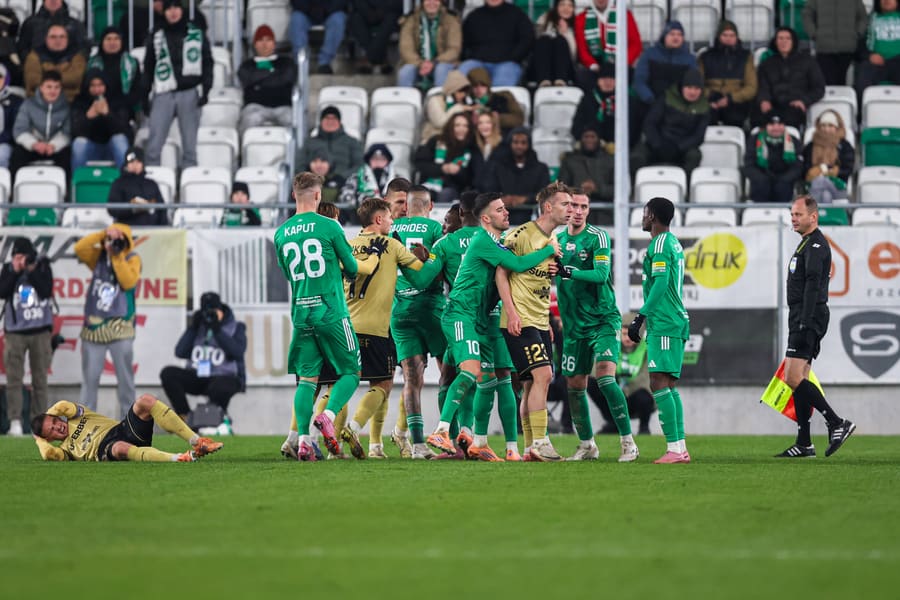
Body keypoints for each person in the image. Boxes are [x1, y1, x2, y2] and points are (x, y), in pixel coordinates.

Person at [425, 191, 561, 458]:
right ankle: (441, 430)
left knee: (490, 380)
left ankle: (481, 442)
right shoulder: (482, 241)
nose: (506, 212)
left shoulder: (494, 244)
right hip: (460, 314)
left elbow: (513, 269)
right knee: (470, 372)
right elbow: (518, 264)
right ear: (485, 218)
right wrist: (548, 250)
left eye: (505, 208)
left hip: (477, 319)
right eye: (499, 210)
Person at [273, 172, 378, 462]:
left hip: (301, 314)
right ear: (318, 196)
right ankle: (328, 416)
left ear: (294, 195)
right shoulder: (329, 226)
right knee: (351, 372)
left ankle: (304, 442)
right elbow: (351, 267)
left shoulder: (280, 233)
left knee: (307, 381)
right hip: (331, 311)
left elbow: (288, 274)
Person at [341, 198, 439, 459]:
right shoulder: (392, 245)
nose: (394, 221)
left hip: (346, 324)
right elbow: (421, 276)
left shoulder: (347, 245)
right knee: (383, 383)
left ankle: (326, 446)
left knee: (338, 383)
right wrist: (431, 256)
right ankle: (354, 427)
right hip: (377, 327)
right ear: (378, 220)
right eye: (389, 217)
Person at [555, 190, 638, 461]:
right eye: (573, 205)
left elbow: (602, 275)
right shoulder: (555, 239)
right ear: (565, 208)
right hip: (573, 325)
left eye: (583, 206)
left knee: (604, 378)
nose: (578, 211)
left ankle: (628, 442)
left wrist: (569, 271)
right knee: (575, 385)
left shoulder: (597, 237)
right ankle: (587, 445)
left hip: (602, 319)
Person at [493, 182, 571, 461]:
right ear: (548, 207)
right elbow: (501, 273)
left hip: (538, 320)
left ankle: (529, 448)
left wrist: (547, 320)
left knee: (531, 384)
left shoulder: (553, 240)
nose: (571, 210)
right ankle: (541, 441)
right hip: (520, 319)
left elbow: (536, 279)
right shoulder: (521, 234)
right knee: (544, 376)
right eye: (566, 204)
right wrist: (511, 313)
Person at [777, 195, 856, 458]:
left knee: (792, 377)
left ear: (813, 216)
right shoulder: (808, 244)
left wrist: (803, 321)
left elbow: (812, 286)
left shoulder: (816, 246)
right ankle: (804, 442)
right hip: (804, 315)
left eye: (798, 214)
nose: (793, 219)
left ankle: (836, 422)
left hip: (807, 317)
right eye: (792, 215)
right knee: (800, 378)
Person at [627, 197, 691, 464]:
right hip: (670, 320)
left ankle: (675, 449)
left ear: (652, 215)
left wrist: (640, 317)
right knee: (668, 385)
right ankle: (679, 447)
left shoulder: (661, 244)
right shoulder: (671, 242)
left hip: (665, 321)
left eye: (644, 213)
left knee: (659, 383)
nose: (642, 218)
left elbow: (662, 283)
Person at [388, 186, 445, 459]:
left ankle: (419, 445)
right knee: (451, 372)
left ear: (407, 205)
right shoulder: (435, 229)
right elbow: (437, 270)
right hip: (432, 309)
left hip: (402, 311)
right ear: (430, 204)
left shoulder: (391, 228)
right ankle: (452, 435)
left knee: (411, 379)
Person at [31, 393, 223, 462]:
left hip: (124, 429)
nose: (59, 428)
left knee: (145, 401)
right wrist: (38, 439)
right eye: (52, 431)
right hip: (105, 449)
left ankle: (198, 442)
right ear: (48, 439)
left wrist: (49, 415)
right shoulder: (65, 451)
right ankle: (179, 458)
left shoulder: (76, 415)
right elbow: (49, 454)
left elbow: (63, 404)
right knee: (118, 448)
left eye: (56, 422)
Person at [73, 223, 141, 417]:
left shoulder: (132, 258)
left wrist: (118, 255)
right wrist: (103, 234)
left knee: (125, 379)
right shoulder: (99, 257)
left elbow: (128, 282)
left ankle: (129, 423)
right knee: (90, 379)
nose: (115, 242)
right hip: (94, 327)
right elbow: (79, 248)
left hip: (121, 326)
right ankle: (85, 424)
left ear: (127, 240)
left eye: (119, 239)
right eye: (111, 239)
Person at [142, 0, 213, 169]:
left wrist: (206, 89)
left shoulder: (196, 32)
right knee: (154, 145)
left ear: (182, 10)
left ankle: (188, 185)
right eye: (169, 8)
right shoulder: (156, 35)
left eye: (176, 8)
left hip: (189, 92)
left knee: (190, 147)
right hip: (163, 92)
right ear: (163, 12)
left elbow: (207, 63)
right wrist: (144, 95)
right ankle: (153, 182)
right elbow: (149, 67)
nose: (173, 12)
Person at [159, 292, 246, 422]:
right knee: (168, 373)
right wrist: (193, 327)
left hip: (225, 376)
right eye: (206, 312)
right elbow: (180, 352)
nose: (210, 315)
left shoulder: (236, 327)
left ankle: (217, 418)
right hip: (198, 375)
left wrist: (217, 330)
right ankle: (185, 418)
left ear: (221, 310)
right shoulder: (199, 326)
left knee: (219, 386)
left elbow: (238, 352)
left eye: (214, 311)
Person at [0, 237, 54, 437]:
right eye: (17, 256)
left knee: (40, 379)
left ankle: (38, 423)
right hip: (15, 332)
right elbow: (2, 291)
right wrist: (15, 270)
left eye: (23, 256)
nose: (20, 260)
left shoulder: (41, 266)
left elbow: (46, 291)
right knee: (14, 378)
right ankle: (14, 421)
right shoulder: (8, 269)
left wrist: (31, 270)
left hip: (39, 331)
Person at [633, 69, 710, 176]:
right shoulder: (666, 98)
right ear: (682, 87)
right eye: (689, 87)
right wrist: (657, 144)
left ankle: (686, 189)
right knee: (637, 156)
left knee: (694, 156)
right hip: (658, 143)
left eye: (696, 88)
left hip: (683, 148)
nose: (692, 92)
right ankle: (634, 187)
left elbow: (698, 136)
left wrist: (679, 147)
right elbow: (650, 123)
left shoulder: (704, 107)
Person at [592, 314, 655, 435]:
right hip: (616, 394)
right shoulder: (611, 345)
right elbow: (596, 370)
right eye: (624, 334)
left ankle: (644, 428)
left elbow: (646, 378)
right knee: (593, 383)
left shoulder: (647, 348)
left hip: (634, 395)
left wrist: (625, 389)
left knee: (644, 396)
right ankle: (613, 423)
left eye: (631, 335)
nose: (627, 338)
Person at [754, 27, 825, 129]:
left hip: (795, 105)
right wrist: (764, 100)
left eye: (787, 39)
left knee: (790, 118)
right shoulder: (767, 64)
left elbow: (818, 88)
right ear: (775, 42)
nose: (784, 42)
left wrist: (803, 101)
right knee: (758, 116)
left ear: (793, 41)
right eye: (780, 38)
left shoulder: (808, 61)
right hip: (772, 104)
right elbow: (762, 86)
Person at [479, 126, 551, 224]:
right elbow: (488, 188)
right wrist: (501, 199)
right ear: (510, 144)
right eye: (516, 142)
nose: (519, 146)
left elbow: (545, 194)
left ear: (529, 144)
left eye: (523, 143)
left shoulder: (540, 168)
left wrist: (525, 199)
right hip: (499, 211)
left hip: (529, 214)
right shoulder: (497, 166)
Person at [457, 0, 534, 87]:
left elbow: (527, 39)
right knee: (464, 70)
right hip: (477, 62)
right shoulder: (474, 16)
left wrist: (513, 58)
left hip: (507, 63)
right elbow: (463, 42)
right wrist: (470, 57)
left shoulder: (517, 14)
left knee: (500, 90)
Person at [237, 25, 296, 135]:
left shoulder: (286, 62)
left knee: (292, 120)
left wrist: (259, 83)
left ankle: (294, 152)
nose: (265, 44)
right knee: (250, 120)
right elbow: (248, 78)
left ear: (274, 43)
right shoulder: (247, 65)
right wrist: (273, 72)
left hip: (282, 107)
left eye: (268, 40)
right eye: (260, 40)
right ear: (255, 44)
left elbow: (287, 78)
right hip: (255, 107)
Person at [633, 21, 697, 121]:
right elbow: (639, 81)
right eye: (672, 34)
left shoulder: (690, 59)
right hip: (651, 103)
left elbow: (694, 84)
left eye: (679, 34)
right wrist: (650, 99)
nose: (676, 37)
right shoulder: (649, 54)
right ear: (664, 36)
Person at [10, 70, 70, 178]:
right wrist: (34, 144)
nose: (53, 91)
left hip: (55, 148)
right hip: (33, 147)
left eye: (57, 87)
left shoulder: (66, 107)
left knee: (67, 155)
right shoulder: (28, 105)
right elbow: (19, 130)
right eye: (49, 87)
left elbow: (67, 133)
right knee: (18, 154)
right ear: (41, 87)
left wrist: (53, 145)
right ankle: (14, 190)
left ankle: (65, 192)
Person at [699, 20, 758, 128]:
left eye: (732, 35)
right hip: (710, 100)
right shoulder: (706, 56)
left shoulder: (746, 57)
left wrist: (730, 98)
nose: (728, 38)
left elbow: (751, 87)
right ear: (719, 36)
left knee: (734, 117)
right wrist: (710, 95)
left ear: (736, 37)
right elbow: (697, 84)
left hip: (736, 101)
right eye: (725, 35)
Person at [70, 69, 132, 171]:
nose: (97, 89)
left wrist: (108, 114)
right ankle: (77, 183)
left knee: (119, 140)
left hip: (111, 148)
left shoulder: (117, 101)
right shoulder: (80, 102)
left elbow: (125, 131)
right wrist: (88, 117)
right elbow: (74, 132)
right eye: (93, 86)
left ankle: (126, 181)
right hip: (91, 148)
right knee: (78, 144)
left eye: (100, 85)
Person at [573, 0, 642, 91]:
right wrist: (593, 65)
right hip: (596, 66)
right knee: (582, 77)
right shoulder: (581, 18)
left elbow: (635, 44)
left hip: (619, 62)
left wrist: (622, 63)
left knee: (635, 76)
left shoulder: (624, 15)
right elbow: (582, 49)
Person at [396, 0, 461, 89]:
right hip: (417, 62)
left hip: (443, 62)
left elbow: (454, 49)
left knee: (441, 70)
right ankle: (406, 101)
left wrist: (434, 63)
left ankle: (439, 100)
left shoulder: (451, 20)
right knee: (405, 72)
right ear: (422, 2)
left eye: (436, 0)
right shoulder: (411, 19)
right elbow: (406, 48)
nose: (432, 3)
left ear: (441, 2)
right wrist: (420, 63)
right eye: (428, 0)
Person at [802, 0, 868, 86]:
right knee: (827, 82)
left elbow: (863, 17)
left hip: (847, 46)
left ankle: (844, 99)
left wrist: (857, 33)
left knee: (842, 81)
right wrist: (813, 33)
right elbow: (807, 14)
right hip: (824, 47)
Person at [414, 111, 475, 203]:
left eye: (465, 126)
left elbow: (470, 179)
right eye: (457, 125)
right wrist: (443, 168)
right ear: (451, 127)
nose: (461, 129)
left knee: (446, 193)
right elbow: (421, 164)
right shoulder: (436, 141)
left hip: (453, 190)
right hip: (428, 185)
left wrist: (458, 172)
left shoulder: (471, 148)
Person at [559, 123, 613, 224]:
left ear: (599, 139)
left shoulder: (610, 161)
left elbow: (619, 190)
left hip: (604, 215)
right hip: (575, 215)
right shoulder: (569, 161)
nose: (589, 140)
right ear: (581, 140)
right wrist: (578, 190)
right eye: (586, 137)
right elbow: (561, 189)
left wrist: (597, 189)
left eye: (593, 137)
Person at [744, 112, 803, 204]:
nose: (776, 128)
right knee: (761, 185)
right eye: (772, 124)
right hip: (760, 184)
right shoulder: (754, 140)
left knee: (783, 187)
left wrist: (784, 179)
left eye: (780, 124)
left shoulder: (793, 141)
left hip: (784, 184)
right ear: (766, 126)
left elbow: (798, 167)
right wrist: (761, 179)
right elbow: (748, 165)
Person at [86, 26, 142, 119]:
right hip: (97, 105)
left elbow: (137, 91)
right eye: (108, 39)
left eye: (116, 39)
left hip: (124, 107)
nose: (112, 43)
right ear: (102, 42)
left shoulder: (132, 63)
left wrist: (115, 104)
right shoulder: (92, 63)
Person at [297, 105, 364, 180]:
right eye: (327, 118)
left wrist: (341, 177)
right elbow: (300, 166)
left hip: (344, 183)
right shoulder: (309, 142)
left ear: (339, 122)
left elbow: (359, 166)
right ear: (321, 121)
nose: (330, 121)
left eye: (334, 118)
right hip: (314, 184)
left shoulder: (352, 142)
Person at [801, 110, 854, 204]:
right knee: (826, 196)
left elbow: (848, 168)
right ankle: (825, 217)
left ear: (837, 127)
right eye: (823, 125)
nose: (826, 129)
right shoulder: (811, 146)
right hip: (813, 184)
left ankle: (811, 214)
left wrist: (829, 172)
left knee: (820, 180)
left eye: (830, 126)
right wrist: (813, 171)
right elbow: (805, 167)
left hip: (838, 185)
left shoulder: (845, 146)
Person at [23, 24, 85, 102]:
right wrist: (61, 79)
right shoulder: (34, 56)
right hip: (38, 103)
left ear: (68, 39)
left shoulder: (77, 56)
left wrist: (47, 77)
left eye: (62, 37)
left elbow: (75, 80)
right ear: (46, 39)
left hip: (70, 102)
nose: (58, 40)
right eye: (53, 37)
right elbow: (33, 81)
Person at [107, 146, 168, 226]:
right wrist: (133, 209)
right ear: (126, 164)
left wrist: (164, 229)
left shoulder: (152, 184)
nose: (135, 165)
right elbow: (112, 209)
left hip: (153, 231)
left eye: (138, 161)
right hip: (128, 231)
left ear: (142, 164)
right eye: (131, 162)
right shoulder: (118, 184)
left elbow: (162, 209)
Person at [289, 0, 348, 74]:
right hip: (306, 12)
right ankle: (300, 62)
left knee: (338, 20)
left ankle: (324, 63)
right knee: (296, 19)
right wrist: (310, 9)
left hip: (331, 11)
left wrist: (326, 10)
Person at [17, 0, 88, 60]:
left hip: (69, 71)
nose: (53, 0)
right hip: (37, 69)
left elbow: (83, 49)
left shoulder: (75, 25)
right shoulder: (30, 24)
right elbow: (22, 49)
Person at [529, 0, 577, 87]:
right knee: (545, 39)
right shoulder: (544, 20)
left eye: (570, 6)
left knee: (560, 40)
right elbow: (535, 47)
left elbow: (574, 54)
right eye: (562, 5)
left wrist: (565, 34)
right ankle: (544, 81)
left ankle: (560, 80)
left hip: (565, 70)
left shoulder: (576, 24)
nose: (566, 8)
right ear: (556, 7)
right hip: (542, 68)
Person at [856, 0, 900, 95]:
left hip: (898, 61)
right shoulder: (869, 19)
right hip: (876, 62)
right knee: (862, 80)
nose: (886, 0)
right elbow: (859, 44)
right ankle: (862, 109)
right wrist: (869, 56)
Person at [348, 0, 404, 74]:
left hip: (389, 11)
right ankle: (381, 59)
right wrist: (370, 14)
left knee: (391, 19)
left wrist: (382, 10)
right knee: (356, 18)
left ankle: (368, 58)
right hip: (366, 11)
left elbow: (400, 3)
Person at [421, 68, 474, 143]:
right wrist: (459, 108)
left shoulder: (466, 102)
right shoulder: (435, 101)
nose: (463, 94)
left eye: (465, 91)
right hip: (435, 140)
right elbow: (440, 122)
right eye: (460, 91)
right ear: (452, 90)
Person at [467, 67, 525, 134]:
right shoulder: (470, 107)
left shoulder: (505, 97)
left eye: (483, 85)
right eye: (475, 86)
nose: (479, 89)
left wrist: (494, 118)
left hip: (506, 138)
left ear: (488, 86)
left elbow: (518, 119)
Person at [470, 107, 502, 187]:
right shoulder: (475, 148)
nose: (484, 126)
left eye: (488, 122)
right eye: (480, 123)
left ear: (494, 125)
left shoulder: (503, 147)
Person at [0, 64, 23, 168]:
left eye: (0, 77)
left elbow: (15, 129)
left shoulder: (16, 101)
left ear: (6, 79)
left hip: (5, 143)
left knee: (1, 155)